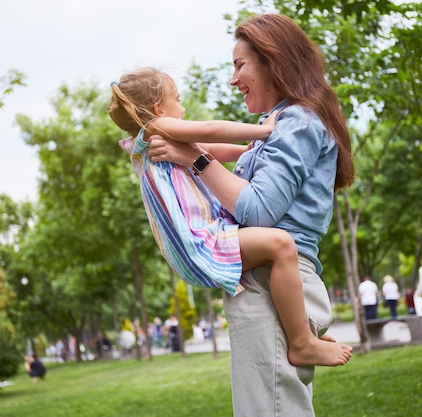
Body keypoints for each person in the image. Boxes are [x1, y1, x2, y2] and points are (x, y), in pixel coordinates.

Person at [146, 14, 355, 416]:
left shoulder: (297, 120)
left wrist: (195, 160)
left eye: (240, 65)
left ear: (273, 61)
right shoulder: (281, 123)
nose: (233, 79)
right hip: (267, 280)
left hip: (271, 285)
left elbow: (258, 211)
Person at [109, 67, 351, 367]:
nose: (183, 109)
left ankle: (301, 329)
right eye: (177, 99)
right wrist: (262, 131)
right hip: (201, 241)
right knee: (282, 245)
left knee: (277, 251)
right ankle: (301, 342)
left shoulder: (153, 141)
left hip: (198, 241)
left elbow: (208, 148)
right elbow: (210, 131)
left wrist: (247, 151)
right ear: (159, 108)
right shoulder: (159, 129)